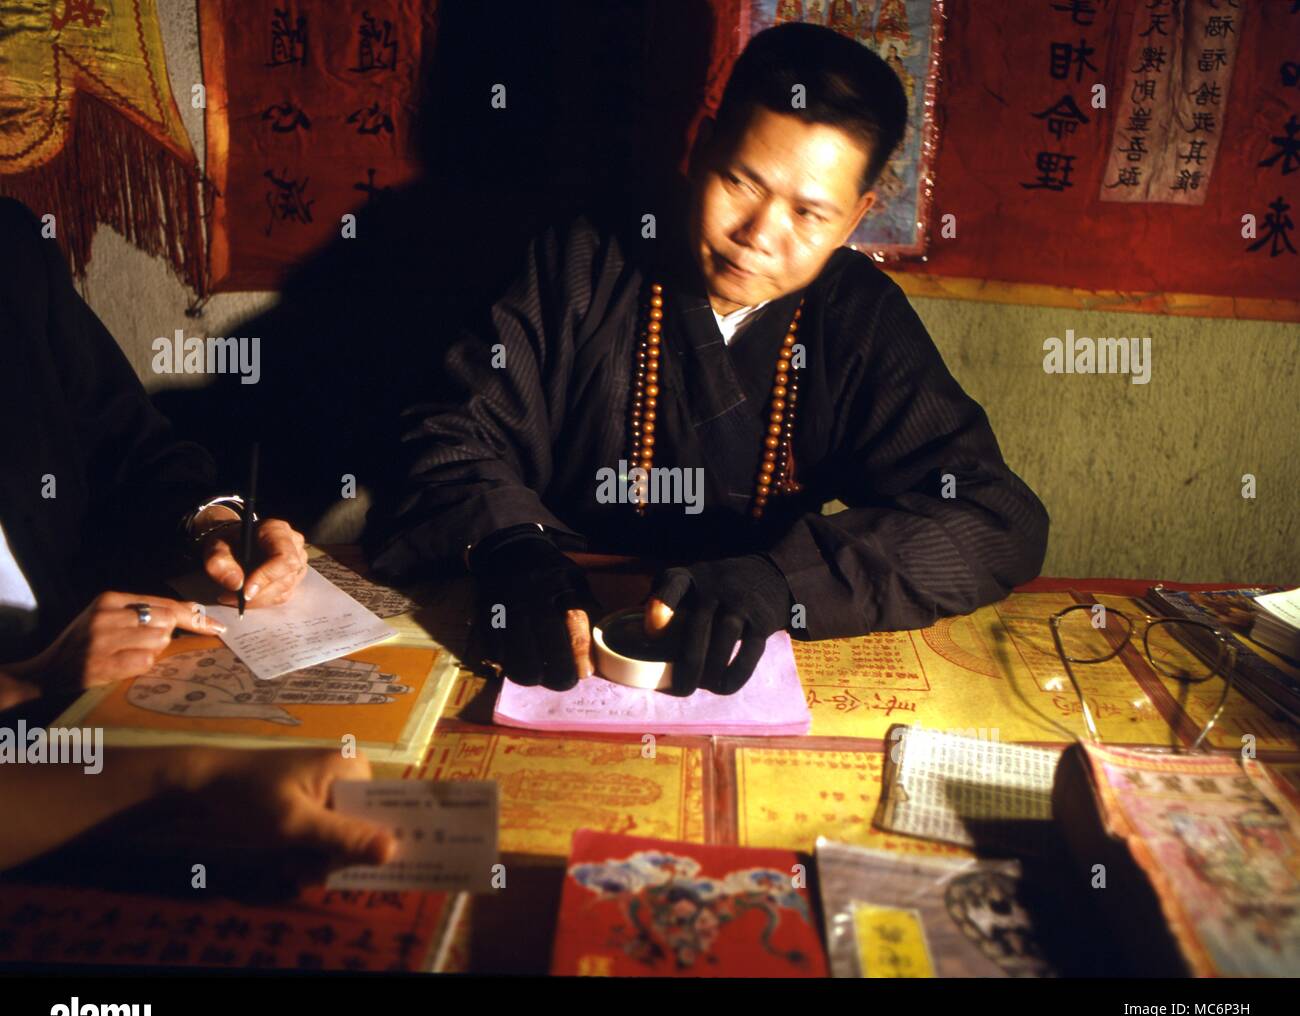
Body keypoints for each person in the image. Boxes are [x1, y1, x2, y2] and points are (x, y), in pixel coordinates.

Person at [366, 23, 1049, 696]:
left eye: (809, 215)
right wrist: (510, 548)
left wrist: (783, 581)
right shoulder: (579, 262)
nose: (758, 237)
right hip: (561, 630)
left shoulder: (856, 314)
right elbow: (449, 436)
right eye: (743, 183)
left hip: (739, 641)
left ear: (854, 219)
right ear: (700, 147)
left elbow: (994, 518)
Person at [0, 196, 388, 883]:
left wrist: (216, 524)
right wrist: (27, 678)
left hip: (111, 708)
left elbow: (130, 448)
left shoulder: (11, 247)